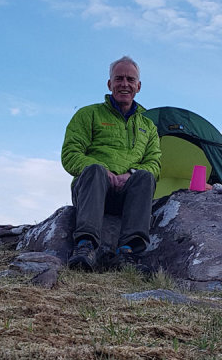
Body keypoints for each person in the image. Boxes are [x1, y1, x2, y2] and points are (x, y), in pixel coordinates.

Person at [61, 56, 161, 271]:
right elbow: (70, 154)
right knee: (95, 170)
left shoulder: (149, 126)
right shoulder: (88, 114)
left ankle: (128, 253)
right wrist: (103, 170)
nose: (124, 84)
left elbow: (154, 163)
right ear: (109, 84)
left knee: (145, 176)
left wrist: (131, 173)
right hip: (93, 189)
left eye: (130, 79)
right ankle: (85, 246)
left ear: (138, 86)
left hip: (127, 194)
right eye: (119, 79)